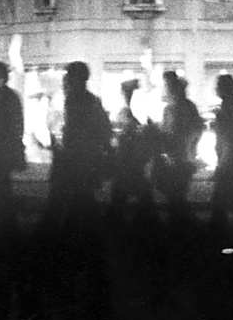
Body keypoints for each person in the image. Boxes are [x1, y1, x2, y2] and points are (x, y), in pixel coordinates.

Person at [46, 61, 112, 231]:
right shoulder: (91, 101)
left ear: (76, 78)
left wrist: (61, 147)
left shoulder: (74, 101)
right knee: (81, 199)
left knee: (65, 200)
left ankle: (52, 239)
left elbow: (72, 133)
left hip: (73, 161)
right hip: (85, 161)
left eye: (68, 75)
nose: (65, 79)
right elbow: (105, 131)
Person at [156, 71, 205, 223]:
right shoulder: (176, 108)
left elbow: (194, 130)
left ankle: (184, 225)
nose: (166, 88)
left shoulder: (180, 108)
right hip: (178, 158)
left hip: (180, 158)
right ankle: (184, 225)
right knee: (176, 196)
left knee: (176, 196)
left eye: (168, 85)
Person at [0, 62, 26, 230]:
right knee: (2, 186)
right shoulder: (8, 96)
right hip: (3, 151)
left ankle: (3, 223)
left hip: (1, 152)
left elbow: (2, 127)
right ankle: (6, 223)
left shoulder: (3, 96)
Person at [108, 79, 157, 221]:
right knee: (142, 196)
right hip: (137, 163)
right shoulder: (139, 114)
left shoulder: (126, 113)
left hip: (126, 162)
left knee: (120, 196)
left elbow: (122, 136)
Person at [209, 74, 233, 235]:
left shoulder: (226, 111)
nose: (216, 89)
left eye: (219, 86)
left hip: (228, 162)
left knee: (224, 200)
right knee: (226, 199)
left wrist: (222, 162)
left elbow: (228, 138)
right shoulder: (229, 110)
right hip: (229, 160)